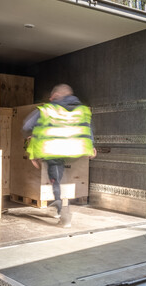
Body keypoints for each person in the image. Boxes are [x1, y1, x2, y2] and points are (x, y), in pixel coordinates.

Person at [22, 84, 95, 227]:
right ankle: (62, 204)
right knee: (65, 173)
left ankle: (62, 210)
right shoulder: (82, 110)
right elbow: (88, 128)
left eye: (51, 96)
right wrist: (91, 146)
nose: (50, 99)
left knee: (57, 177)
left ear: (55, 96)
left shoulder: (48, 109)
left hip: (53, 150)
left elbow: (26, 126)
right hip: (76, 149)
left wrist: (32, 147)